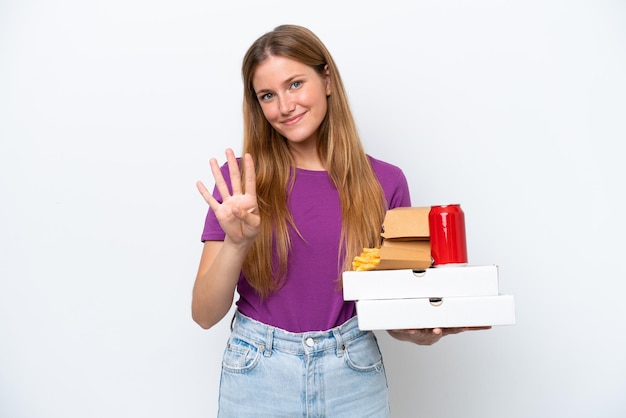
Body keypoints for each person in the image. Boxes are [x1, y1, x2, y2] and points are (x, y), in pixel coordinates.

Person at [192, 24, 473, 417]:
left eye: (295, 84)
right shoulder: (240, 186)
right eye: (268, 96)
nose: (284, 107)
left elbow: (388, 304)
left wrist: (416, 330)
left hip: (352, 373)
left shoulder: (385, 182)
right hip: (258, 375)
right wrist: (237, 243)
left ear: (326, 79)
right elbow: (204, 314)